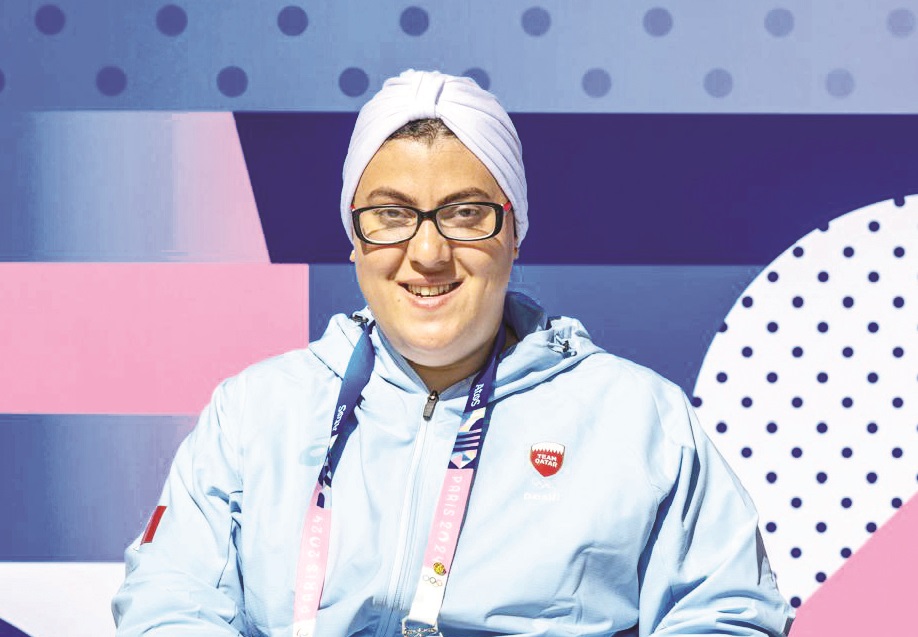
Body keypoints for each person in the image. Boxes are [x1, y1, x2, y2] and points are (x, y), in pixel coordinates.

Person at [113, 70, 794, 637]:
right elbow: (169, 601)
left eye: (466, 213)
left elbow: (729, 615)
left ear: (514, 232)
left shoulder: (639, 420)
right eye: (391, 214)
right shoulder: (254, 413)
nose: (429, 252)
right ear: (354, 239)